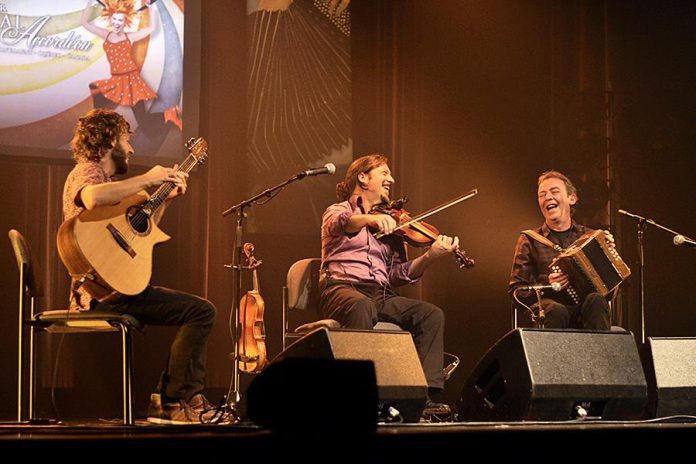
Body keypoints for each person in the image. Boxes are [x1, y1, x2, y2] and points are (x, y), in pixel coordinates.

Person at [61, 108, 214, 424]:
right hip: (97, 292)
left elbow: (140, 233)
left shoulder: (114, 190)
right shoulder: (87, 172)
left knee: (198, 310)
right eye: (126, 141)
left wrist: (166, 197)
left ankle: (172, 398)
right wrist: (149, 178)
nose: (131, 149)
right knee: (201, 311)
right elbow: (90, 198)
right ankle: (174, 401)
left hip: (113, 286)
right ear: (108, 143)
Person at [319, 154, 460, 418]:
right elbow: (341, 225)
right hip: (341, 288)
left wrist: (430, 257)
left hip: (380, 294)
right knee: (362, 306)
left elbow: (396, 275)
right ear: (363, 177)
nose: (391, 179)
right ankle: (358, 395)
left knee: (430, 314)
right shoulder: (338, 210)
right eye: (384, 173)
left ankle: (421, 395)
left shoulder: (392, 223)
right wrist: (369, 220)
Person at [508, 170, 612, 330]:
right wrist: (548, 285)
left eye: (554, 191)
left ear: (572, 198)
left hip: (584, 311)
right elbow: (516, 293)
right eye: (542, 195)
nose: (547, 197)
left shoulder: (589, 237)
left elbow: (608, 293)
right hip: (549, 312)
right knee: (557, 310)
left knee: (596, 300)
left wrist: (608, 259)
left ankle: (599, 354)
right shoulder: (529, 239)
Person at [80, 0, 182, 131]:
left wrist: (150, 8)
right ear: (111, 19)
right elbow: (84, 23)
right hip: (116, 80)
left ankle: (169, 114)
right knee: (96, 91)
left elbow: (150, 29)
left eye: (120, 20)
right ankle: (99, 127)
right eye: (115, 19)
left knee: (144, 123)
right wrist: (89, 2)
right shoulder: (106, 34)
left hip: (130, 81)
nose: (116, 23)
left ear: (125, 22)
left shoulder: (130, 37)